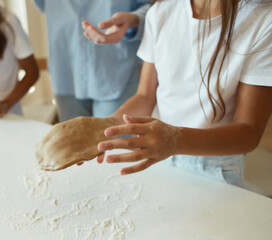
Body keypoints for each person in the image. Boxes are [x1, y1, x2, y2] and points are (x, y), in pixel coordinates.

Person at [94, 0, 272, 188]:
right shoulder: (161, 12)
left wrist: (175, 140)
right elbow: (145, 96)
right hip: (156, 158)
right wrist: (106, 128)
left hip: (214, 167)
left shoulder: (263, 21)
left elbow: (248, 132)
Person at [32, 0, 151, 121]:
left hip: (117, 71)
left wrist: (134, 19)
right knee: (72, 138)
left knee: (113, 135)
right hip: (66, 70)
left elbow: (157, 8)